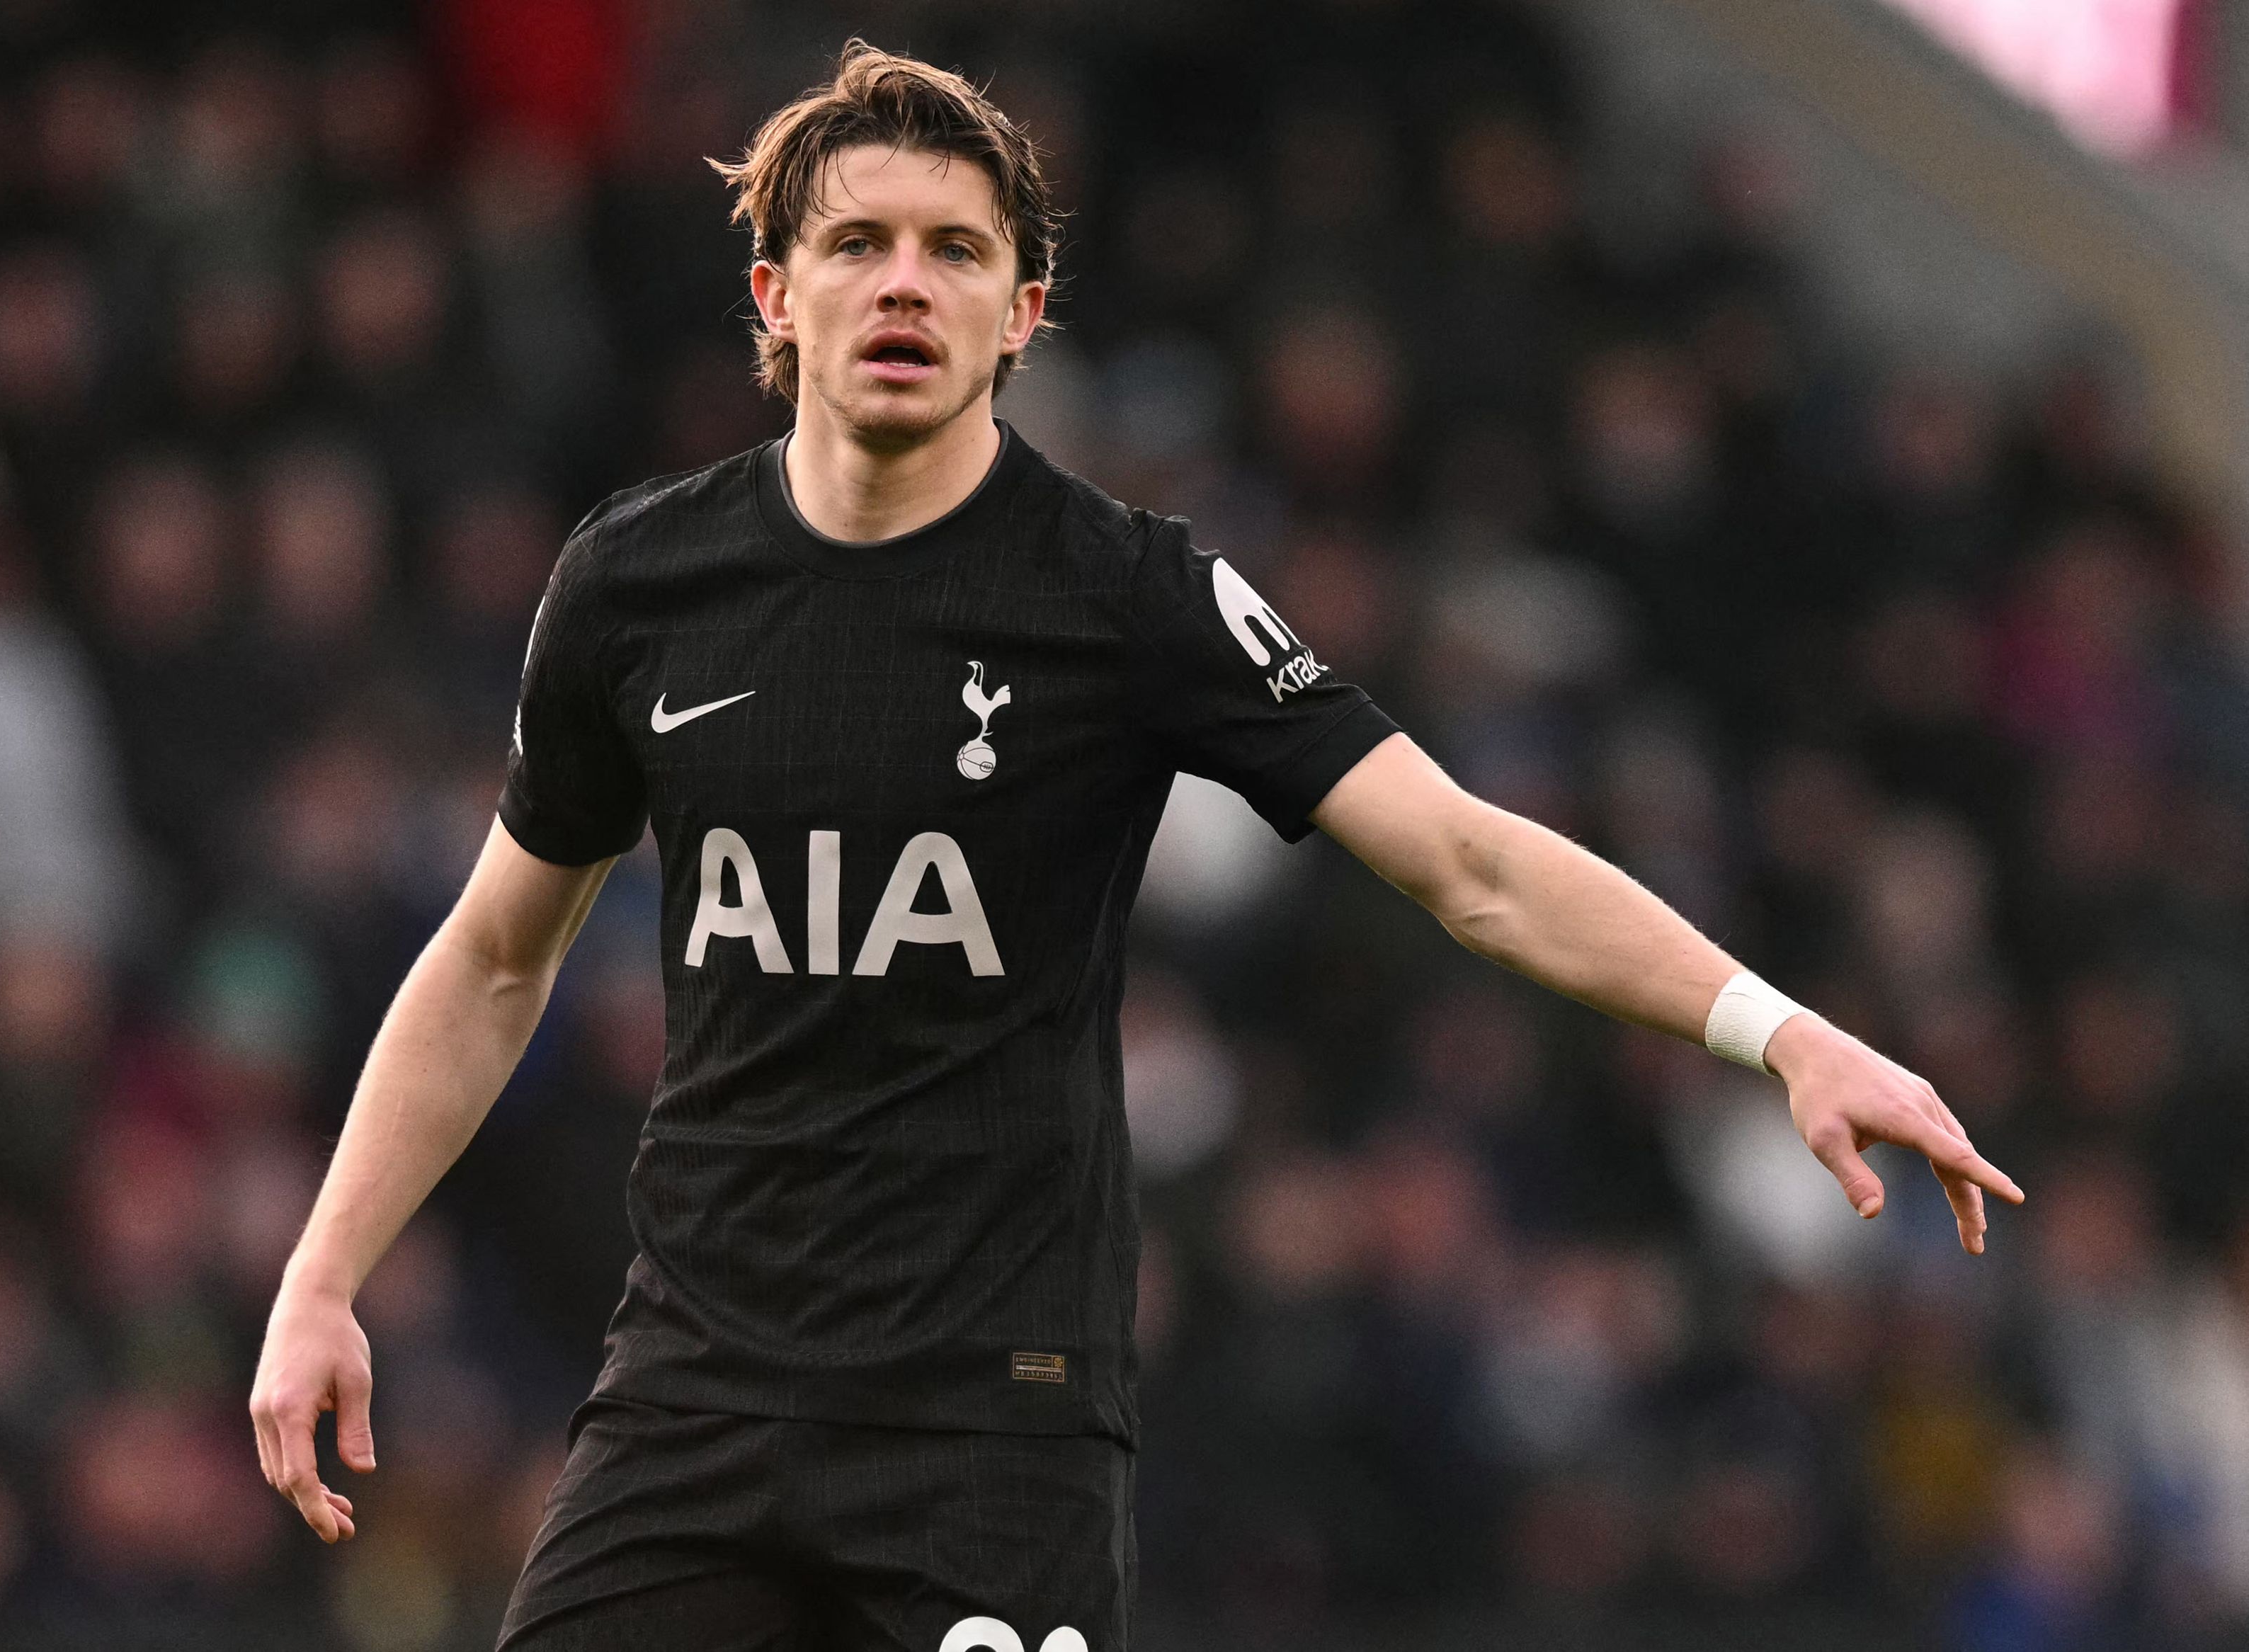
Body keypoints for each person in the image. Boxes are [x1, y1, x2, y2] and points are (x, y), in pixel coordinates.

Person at [249, 42, 2022, 1652]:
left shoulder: (1128, 595)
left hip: (988, 1431)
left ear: (1025, 314)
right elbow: (495, 956)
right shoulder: (637, 586)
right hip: (693, 1403)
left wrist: (1776, 1029)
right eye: (859, 245)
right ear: (776, 300)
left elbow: (1465, 860)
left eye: (955, 252)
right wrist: (326, 1274)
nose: (904, 283)